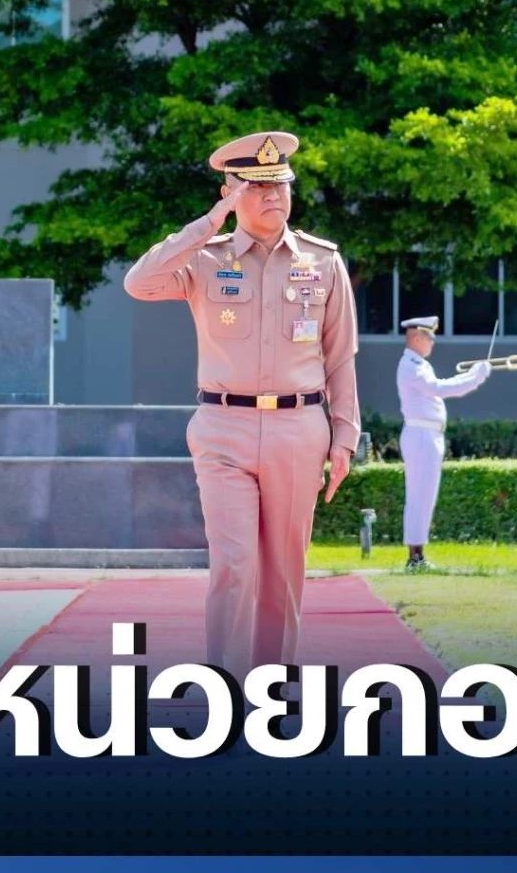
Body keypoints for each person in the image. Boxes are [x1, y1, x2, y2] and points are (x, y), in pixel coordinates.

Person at [123, 131, 360, 676]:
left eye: (280, 184)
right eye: (256, 186)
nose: (273, 195)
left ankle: (271, 690)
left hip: (298, 428)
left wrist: (345, 436)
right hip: (223, 426)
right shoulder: (205, 258)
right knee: (234, 565)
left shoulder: (323, 261)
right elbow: (139, 282)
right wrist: (209, 223)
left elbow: (340, 355)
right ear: (230, 192)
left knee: (283, 572)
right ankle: (227, 688)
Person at [394, 316, 490, 571]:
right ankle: (415, 557)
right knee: (419, 495)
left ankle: (418, 554)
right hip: (421, 434)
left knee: (425, 496)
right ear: (416, 337)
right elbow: (440, 388)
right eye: (429, 337)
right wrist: (474, 377)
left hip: (428, 434)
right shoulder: (411, 365)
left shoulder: (419, 364)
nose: (432, 342)